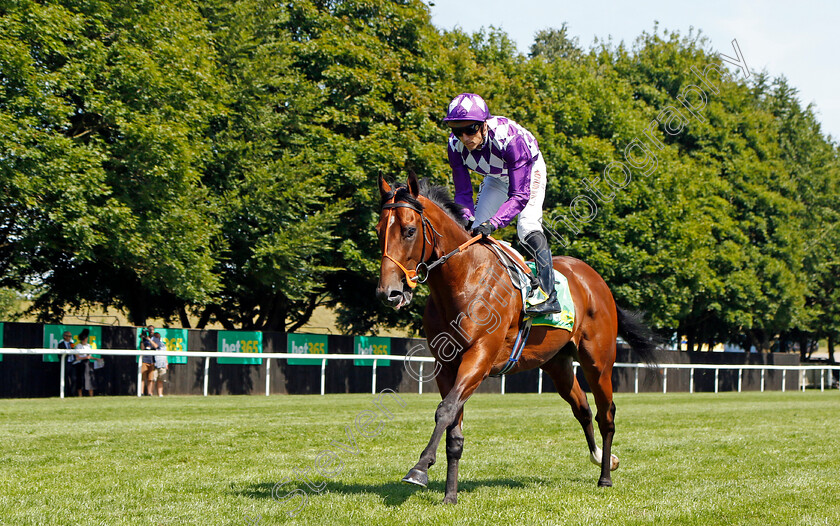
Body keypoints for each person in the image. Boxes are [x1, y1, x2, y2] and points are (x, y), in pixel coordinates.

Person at [444, 92, 562, 315]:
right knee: (473, 232)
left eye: (470, 129)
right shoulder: (454, 145)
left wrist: (495, 223)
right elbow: (462, 193)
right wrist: (468, 219)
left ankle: (549, 295)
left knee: (526, 227)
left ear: (484, 125)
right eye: (457, 131)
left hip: (529, 171)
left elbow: (519, 195)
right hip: (496, 178)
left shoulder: (509, 139)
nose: (465, 137)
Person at [72, 328, 95, 397]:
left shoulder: (88, 346)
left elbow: (89, 356)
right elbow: (77, 357)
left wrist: (97, 359)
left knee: (89, 378)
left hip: (87, 364)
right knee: (80, 379)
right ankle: (80, 395)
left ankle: (91, 395)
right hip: (80, 364)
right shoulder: (78, 346)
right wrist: (85, 358)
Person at [139, 324, 159, 396]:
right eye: (150, 330)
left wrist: (149, 339)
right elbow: (142, 348)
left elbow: (156, 346)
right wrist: (142, 339)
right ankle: (141, 392)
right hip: (144, 359)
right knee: (143, 377)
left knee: (151, 378)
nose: (151, 331)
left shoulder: (156, 338)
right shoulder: (144, 339)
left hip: (152, 360)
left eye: (152, 330)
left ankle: (149, 393)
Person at [57, 331, 76, 395]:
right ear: (65, 336)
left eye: (71, 336)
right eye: (69, 336)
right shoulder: (61, 344)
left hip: (72, 363)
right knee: (65, 379)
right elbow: (59, 355)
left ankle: (72, 393)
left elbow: (74, 352)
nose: (70, 338)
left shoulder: (72, 344)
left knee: (74, 378)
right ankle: (65, 393)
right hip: (65, 364)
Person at [152, 332, 168, 397]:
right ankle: (151, 394)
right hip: (155, 364)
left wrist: (167, 363)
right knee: (153, 379)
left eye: (158, 337)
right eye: (156, 337)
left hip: (162, 364)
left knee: (160, 380)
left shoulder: (163, 344)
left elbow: (165, 354)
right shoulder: (151, 344)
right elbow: (155, 346)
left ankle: (160, 394)